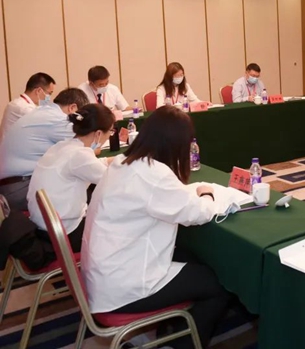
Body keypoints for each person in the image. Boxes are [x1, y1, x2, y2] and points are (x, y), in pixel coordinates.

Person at [82, 106, 237, 349]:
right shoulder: (154, 175)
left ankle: (165, 332)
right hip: (124, 286)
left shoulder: (124, 162)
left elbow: (164, 199)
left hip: (105, 273)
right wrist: (207, 194)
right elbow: (198, 213)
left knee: (189, 256)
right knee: (218, 285)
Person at [26, 104, 115, 252]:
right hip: (66, 233)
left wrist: (113, 160)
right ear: (99, 133)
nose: (109, 136)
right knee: (120, 221)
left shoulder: (61, 146)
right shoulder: (79, 155)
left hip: (44, 228)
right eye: (110, 131)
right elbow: (114, 181)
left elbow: (90, 166)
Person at [0, 88, 89, 211]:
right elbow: (86, 145)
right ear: (72, 108)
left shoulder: (42, 112)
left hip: (12, 185)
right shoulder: (58, 119)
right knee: (78, 182)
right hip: (19, 188)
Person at [0, 72, 56, 142]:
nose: (49, 98)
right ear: (38, 91)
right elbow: (47, 124)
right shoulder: (22, 107)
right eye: (49, 93)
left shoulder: (21, 103)